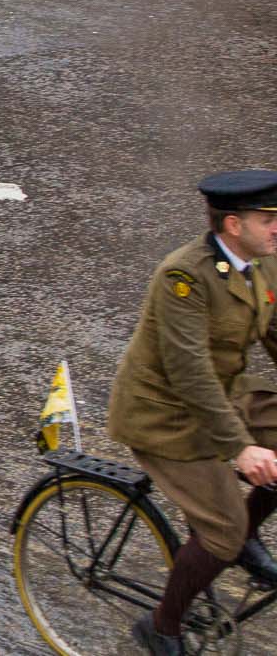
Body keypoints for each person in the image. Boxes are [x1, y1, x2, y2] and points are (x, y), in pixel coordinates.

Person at [110, 171, 277, 656]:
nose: (275, 229)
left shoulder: (260, 265)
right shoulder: (183, 277)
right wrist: (241, 448)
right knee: (221, 530)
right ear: (231, 224)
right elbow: (190, 374)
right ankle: (162, 626)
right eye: (266, 219)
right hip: (164, 412)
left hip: (224, 393)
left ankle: (241, 539)